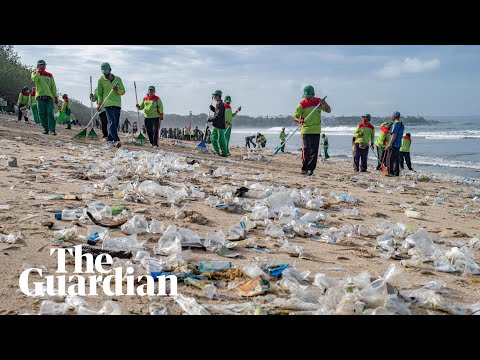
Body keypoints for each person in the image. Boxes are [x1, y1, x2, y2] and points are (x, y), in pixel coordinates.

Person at [293, 85, 331, 176]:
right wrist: (299, 120)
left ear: (313, 94)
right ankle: (304, 168)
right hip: (305, 130)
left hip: (316, 130)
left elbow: (329, 110)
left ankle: (310, 169)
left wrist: (324, 103)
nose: (308, 98)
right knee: (306, 149)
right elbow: (295, 117)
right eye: (306, 96)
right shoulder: (302, 104)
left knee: (314, 151)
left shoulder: (319, 102)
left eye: (309, 96)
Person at [96, 63, 125, 147]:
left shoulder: (118, 79)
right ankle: (116, 140)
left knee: (115, 124)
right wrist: (99, 104)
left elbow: (123, 91)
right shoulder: (101, 81)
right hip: (107, 104)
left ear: (110, 70)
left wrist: (117, 89)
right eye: (103, 72)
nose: (105, 73)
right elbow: (100, 94)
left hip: (117, 104)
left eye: (106, 71)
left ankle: (109, 138)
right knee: (111, 121)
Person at [31, 60, 58, 135]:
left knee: (50, 113)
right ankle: (45, 129)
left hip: (49, 98)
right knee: (42, 114)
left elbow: (53, 87)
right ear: (37, 66)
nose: (43, 66)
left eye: (44, 65)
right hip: (40, 98)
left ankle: (52, 130)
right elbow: (34, 79)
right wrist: (38, 72)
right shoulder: (34, 73)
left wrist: (55, 97)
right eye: (41, 65)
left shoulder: (49, 75)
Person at [207, 90, 228, 157]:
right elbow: (216, 112)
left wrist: (209, 119)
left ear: (218, 96)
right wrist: (212, 108)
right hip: (216, 125)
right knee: (213, 138)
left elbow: (218, 116)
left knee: (221, 139)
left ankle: (224, 153)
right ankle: (217, 152)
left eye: (215, 95)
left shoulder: (221, 104)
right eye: (213, 96)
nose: (214, 97)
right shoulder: (218, 103)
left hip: (220, 125)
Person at [385, 111, 405, 177]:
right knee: (396, 159)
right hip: (399, 144)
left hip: (394, 144)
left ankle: (390, 173)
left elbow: (394, 134)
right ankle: (396, 173)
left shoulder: (395, 124)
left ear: (393, 117)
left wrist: (389, 144)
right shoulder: (402, 124)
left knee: (390, 158)